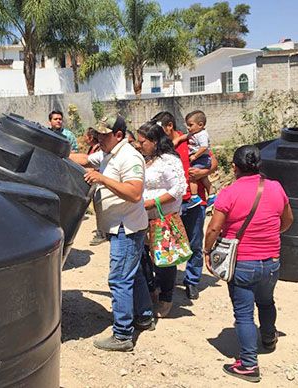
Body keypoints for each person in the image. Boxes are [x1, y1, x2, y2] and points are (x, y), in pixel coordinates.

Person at [204, 145, 293, 383]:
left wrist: (206, 250)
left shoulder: (229, 193)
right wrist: (270, 235)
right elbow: (288, 220)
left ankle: (248, 365)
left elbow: (214, 227)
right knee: (266, 302)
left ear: (234, 167)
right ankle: (268, 338)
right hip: (271, 261)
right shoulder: (275, 188)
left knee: (243, 315)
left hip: (242, 263)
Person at [70, 114, 153, 352]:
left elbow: (135, 193)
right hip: (119, 226)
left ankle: (123, 334)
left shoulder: (129, 157)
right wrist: (57, 151)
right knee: (133, 273)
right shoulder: (108, 153)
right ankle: (144, 316)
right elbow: (84, 159)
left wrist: (102, 179)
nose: (99, 137)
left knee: (119, 279)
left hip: (126, 228)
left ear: (118, 135)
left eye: (104, 134)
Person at [151, 111, 217, 300]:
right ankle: (165, 282)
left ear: (169, 126)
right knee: (165, 244)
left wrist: (204, 170)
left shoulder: (191, 139)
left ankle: (191, 281)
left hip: (192, 201)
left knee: (195, 243)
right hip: (169, 204)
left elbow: (213, 162)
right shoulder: (160, 147)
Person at [137, 121, 187, 318]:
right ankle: (152, 289)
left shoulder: (168, 161)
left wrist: (152, 202)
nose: (139, 145)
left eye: (143, 142)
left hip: (162, 217)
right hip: (143, 217)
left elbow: (179, 188)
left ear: (155, 141)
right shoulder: (143, 159)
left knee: (164, 260)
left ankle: (166, 297)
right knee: (144, 257)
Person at [176, 110, 215, 208]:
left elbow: (204, 147)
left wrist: (195, 156)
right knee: (203, 177)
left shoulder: (202, 135)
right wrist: (178, 139)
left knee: (192, 175)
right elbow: (185, 136)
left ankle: (194, 197)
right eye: (187, 125)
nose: (188, 128)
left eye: (190, 125)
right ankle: (212, 195)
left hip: (202, 158)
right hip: (201, 158)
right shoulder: (194, 133)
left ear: (200, 125)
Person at [85, 127, 106, 246]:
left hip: (100, 182)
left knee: (100, 208)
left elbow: (98, 166)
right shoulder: (93, 149)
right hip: (96, 181)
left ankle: (101, 233)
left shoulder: (98, 149)